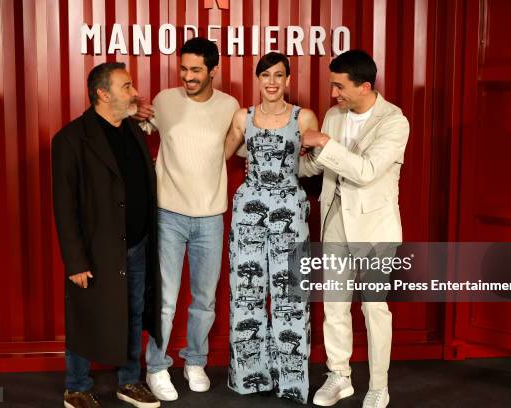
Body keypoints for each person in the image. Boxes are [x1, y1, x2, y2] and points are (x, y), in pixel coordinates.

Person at [299, 50, 410, 408]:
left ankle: (379, 386)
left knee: (374, 308)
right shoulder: (334, 115)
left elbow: (365, 171)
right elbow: (320, 168)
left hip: (375, 228)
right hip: (334, 223)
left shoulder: (394, 122)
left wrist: (324, 144)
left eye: (339, 86)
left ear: (364, 86)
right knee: (334, 304)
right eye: (333, 85)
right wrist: (282, 157)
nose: (333, 94)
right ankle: (339, 376)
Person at [133, 37, 240, 401]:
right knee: (163, 299)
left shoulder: (230, 106)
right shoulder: (164, 100)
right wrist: (134, 115)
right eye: (183, 68)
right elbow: (141, 130)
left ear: (213, 71)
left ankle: (195, 361)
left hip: (210, 216)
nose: (188, 76)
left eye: (196, 70)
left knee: (204, 299)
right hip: (168, 214)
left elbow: (239, 143)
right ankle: (157, 367)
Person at [51, 62, 162, 408]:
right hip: (96, 251)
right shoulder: (70, 139)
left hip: (138, 245)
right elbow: (64, 206)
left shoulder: (133, 131)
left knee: (132, 313)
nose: (134, 92)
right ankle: (77, 387)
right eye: (126, 86)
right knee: (86, 314)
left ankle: (129, 382)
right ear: (102, 94)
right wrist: (75, 261)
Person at [223, 52, 319, 404]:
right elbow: (222, 155)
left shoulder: (303, 116)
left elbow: (313, 159)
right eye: (266, 75)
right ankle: (250, 378)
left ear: (289, 80)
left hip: (290, 209)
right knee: (246, 294)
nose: (272, 82)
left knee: (291, 295)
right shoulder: (242, 117)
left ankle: (290, 382)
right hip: (248, 209)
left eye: (279, 75)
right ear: (258, 79)